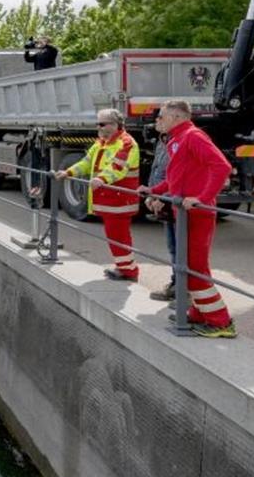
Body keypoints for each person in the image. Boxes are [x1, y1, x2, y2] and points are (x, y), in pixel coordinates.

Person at [139, 101, 236, 338]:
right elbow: (177, 179)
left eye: (161, 116)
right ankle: (198, 313)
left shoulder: (192, 136)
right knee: (189, 267)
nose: (157, 121)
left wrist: (202, 198)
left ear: (176, 116)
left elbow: (222, 166)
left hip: (197, 213)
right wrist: (155, 190)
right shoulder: (178, 139)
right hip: (184, 213)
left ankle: (220, 321)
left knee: (196, 268)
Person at [54, 108, 141, 280]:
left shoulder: (126, 143)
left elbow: (118, 167)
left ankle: (128, 271)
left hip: (119, 200)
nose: (98, 127)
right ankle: (124, 267)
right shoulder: (101, 142)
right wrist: (68, 173)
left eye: (102, 124)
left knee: (119, 236)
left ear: (116, 125)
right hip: (109, 199)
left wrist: (101, 178)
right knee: (115, 235)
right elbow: (86, 163)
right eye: (97, 123)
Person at [145, 131, 178, 301]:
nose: (156, 122)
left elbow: (179, 176)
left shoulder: (182, 141)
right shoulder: (163, 141)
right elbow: (157, 169)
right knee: (173, 248)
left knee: (182, 250)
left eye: (160, 117)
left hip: (175, 203)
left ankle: (184, 293)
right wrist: (152, 193)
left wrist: (164, 197)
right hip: (167, 200)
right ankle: (176, 286)